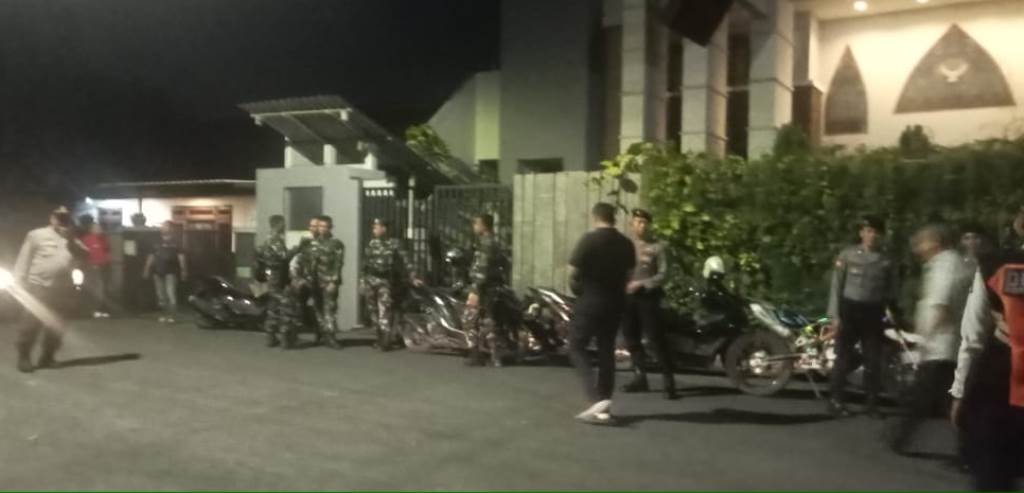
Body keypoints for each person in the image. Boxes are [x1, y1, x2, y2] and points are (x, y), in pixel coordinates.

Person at [949, 215, 1024, 491]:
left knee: (994, 474)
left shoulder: (995, 265)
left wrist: (959, 390)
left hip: (999, 382)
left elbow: (973, 335)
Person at [887, 223, 973, 454]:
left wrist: (925, 338)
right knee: (943, 399)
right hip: (946, 345)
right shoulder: (950, 263)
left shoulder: (945, 266)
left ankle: (899, 438)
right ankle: (971, 447)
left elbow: (941, 304)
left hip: (941, 344)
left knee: (924, 398)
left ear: (935, 243)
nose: (917, 249)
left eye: (921, 243)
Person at [566, 203, 636, 425]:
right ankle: (604, 403)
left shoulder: (588, 240)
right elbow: (629, 275)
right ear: (613, 218)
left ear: (595, 217)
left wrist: (578, 290)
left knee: (576, 346)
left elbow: (573, 273)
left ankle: (595, 398)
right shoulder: (626, 243)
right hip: (615, 302)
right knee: (606, 349)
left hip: (590, 300)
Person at [826, 215, 901, 418]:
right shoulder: (848, 255)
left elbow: (892, 290)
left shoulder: (886, 260)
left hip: (873, 312)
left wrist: (893, 313)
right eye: (868, 231)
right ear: (861, 233)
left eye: (876, 232)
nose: (872, 235)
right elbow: (836, 286)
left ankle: (871, 404)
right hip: (850, 309)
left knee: (873, 360)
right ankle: (836, 400)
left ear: (881, 235)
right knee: (843, 356)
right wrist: (834, 316)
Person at [12, 207, 85, 372]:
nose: (62, 221)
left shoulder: (72, 237)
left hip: (63, 288)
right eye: (59, 217)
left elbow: (85, 255)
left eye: (66, 218)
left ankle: (47, 357)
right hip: (39, 286)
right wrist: (18, 281)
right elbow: (24, 258)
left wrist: (71, 240)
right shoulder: (36, 235)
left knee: (57, 325)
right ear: (52, 218)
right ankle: (24, 357)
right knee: (31, 324)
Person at [621, 208, 678, 400]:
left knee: (655, 338)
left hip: (648, 297)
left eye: (645, 222)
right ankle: (640, 377)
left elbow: (664, 274)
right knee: (631, 337)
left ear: (650, 225)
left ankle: (668, 382)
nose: (641, 226)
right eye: (638, 222)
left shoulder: (659, 247)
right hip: (628, 298)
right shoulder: (626, 246)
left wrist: (643, 283)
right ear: (632, 225)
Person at [360, 218, 420, 351]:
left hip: (385, 281)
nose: (374, 230)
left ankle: (385, 340)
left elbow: (406, 261)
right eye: (373, 227)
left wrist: (413, 276)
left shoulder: (394, 244)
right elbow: (365, 264)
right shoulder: (371, 244)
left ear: (384, 229)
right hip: (370, 280)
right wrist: (362, 281)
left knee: (385, 309)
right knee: (372, 311)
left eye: (376, 227)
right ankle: (378, 336)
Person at [462, 213, 510, 367]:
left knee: (468, 319)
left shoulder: (486, 243)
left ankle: (475, 355)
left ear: (483, 225)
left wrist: (475, 290)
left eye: (476, 223)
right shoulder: (495, 242)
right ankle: (495, 356)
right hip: (492, 287)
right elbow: (505, 264)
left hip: (482, 287)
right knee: (489, 321)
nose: (474, 227)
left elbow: (482, 269)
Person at [255, 215, 302, 349]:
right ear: (278, 224)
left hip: (272, 276)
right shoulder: (275, 240)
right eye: (283, 224)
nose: (285, 226)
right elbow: (284, 257)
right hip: (277, 277)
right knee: (286, 305)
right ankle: (286, 339)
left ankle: (270, 337)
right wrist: (298, 248)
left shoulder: (267, 239)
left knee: (273, 306)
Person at [143, 221, 187, 324]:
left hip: (171, 272)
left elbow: (181, 257)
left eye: (166, 226)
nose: (163, 228)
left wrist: (184, 270)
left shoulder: (176, 242)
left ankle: (172, 316)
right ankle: (164, 315)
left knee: (170, 294)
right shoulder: (156, 242)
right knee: (161, 296)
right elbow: (151, 256)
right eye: (163, 226)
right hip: (157, 272)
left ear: (171, 229)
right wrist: (146, 269)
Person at [311, 215, 345, 349]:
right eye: (320, 226)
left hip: (328, 282)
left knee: (329, 309)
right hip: (315, 281)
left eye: (325, 226)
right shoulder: (313, 243)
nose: (322, 229)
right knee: (317, 309)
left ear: (330, 228)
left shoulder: (336, 244)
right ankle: (320, 333)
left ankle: (330, 336)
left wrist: (334, 282)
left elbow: (338, 264)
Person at [78, 215, 113, 318]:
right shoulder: (86, 239)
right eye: (96, 228)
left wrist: (108, 263)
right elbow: (83, 254)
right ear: (91, 229)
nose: (99, 229)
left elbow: (107, 252)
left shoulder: (104, 239)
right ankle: (91, 310)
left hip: (104, 267)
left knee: (104, 289)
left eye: (99, 227)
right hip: (92, 268)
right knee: (94, 289)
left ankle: (101, 309)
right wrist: (91, 265)